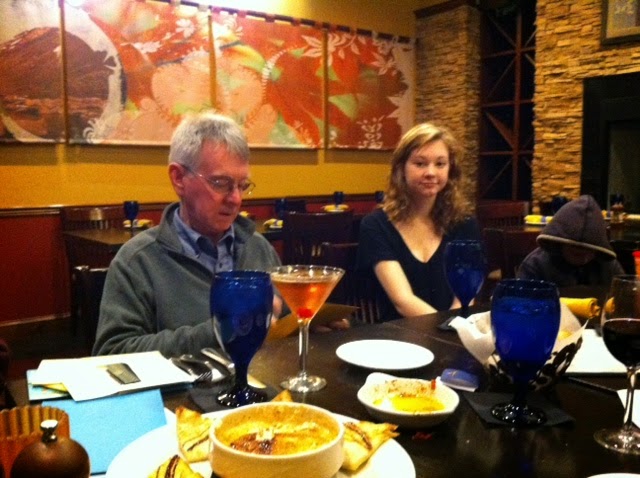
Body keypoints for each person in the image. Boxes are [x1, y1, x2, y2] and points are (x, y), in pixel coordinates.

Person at [93, 113, 283, 357]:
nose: (236, 199)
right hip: (189, 385)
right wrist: (220, 331)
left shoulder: (257, 247)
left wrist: (310, 323)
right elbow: (113, 353)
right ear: (179, 178)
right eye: (220, 183)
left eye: (242, 185)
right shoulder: (137, 261)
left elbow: (282, 321)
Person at [356, 122, 481, 321]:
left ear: (450, 169)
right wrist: (445, 329)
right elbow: (403, 301)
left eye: (440, 164)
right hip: (395, 335)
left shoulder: (463, 223)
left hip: (453, 331)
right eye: (420, 163)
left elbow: (465, 296)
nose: (431, 172)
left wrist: (455, 328)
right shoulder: (376, 224)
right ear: (401, 168)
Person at [517, 194, 624, 287]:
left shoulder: (608, 265)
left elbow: (623, 294)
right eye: (576, 253)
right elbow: (521, 300)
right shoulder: (536, 265)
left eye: (589, 252)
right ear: (560, 243)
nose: (584, 258)